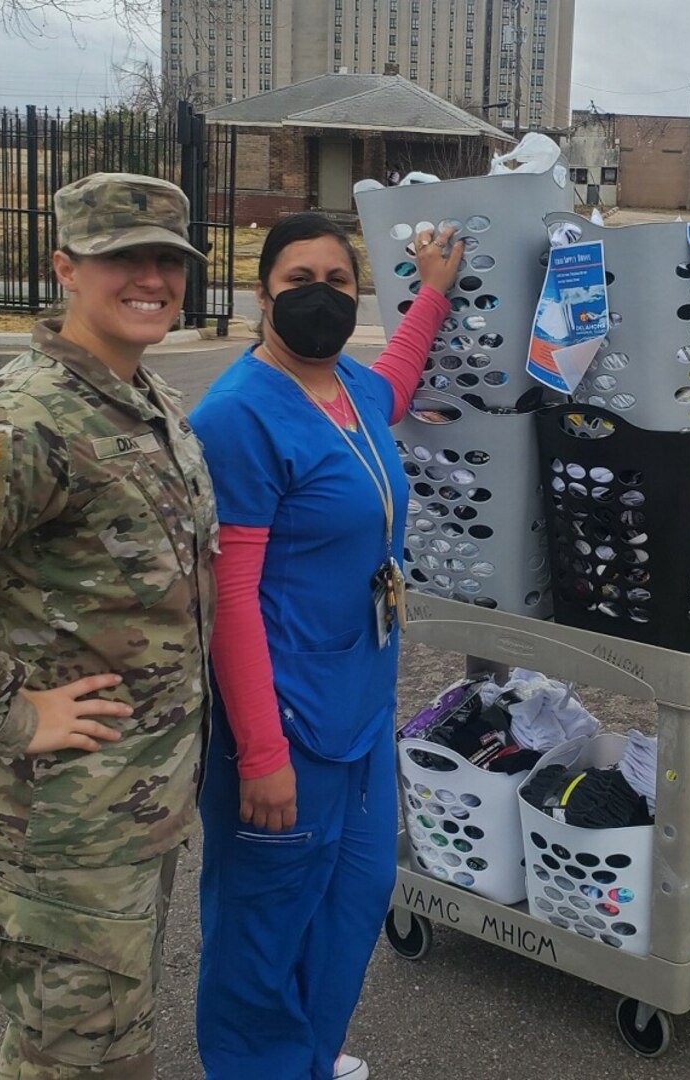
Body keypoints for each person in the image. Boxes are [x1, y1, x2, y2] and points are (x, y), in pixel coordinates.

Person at [0, 172, 216, 1077]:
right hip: (53, 822)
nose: (151, 278)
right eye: (120, 259)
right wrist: (15, 715)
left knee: (99, 1044)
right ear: (65, 266)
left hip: (127, 811)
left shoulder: (142, 399)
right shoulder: (24, 417)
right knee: (78, 1057)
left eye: (166, 260)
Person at [190, 213, 463, 1078]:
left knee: (354, 898)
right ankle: (256, 1066)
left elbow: (395, 375)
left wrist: (433, 292)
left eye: (339, 281)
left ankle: (307, 1055)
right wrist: (263, 752)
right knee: (263, 924)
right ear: (262, 294)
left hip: (360, 706)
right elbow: (228, 598)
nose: (320, 295)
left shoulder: (346, 387)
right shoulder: (237, 416)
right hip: (286, 725)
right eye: (299, 279)